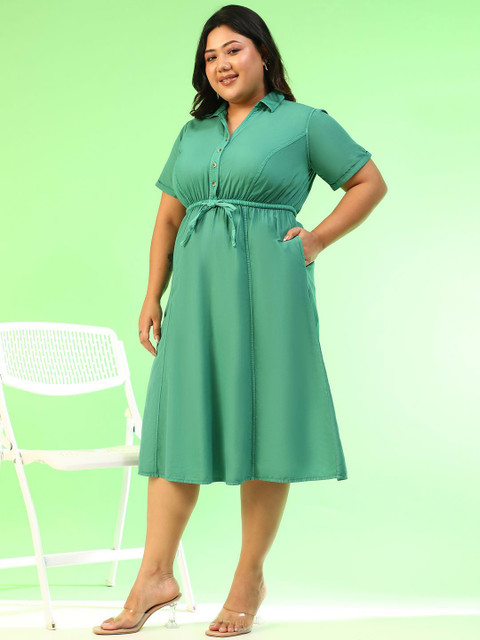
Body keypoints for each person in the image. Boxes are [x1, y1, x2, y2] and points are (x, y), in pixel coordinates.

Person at [93, 4, 387, 637]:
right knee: (177, 425)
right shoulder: (193, 133)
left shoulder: (305, 123)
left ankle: (248, 578)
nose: (221, 64)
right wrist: (152, 295)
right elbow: (168, 217)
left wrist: (316, 241)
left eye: (233, 49)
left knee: (267, 423)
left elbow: (368, 182)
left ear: (262, 53)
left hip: (271, 291)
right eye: (210, 56)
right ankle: (154, 577)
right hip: (196, 295)